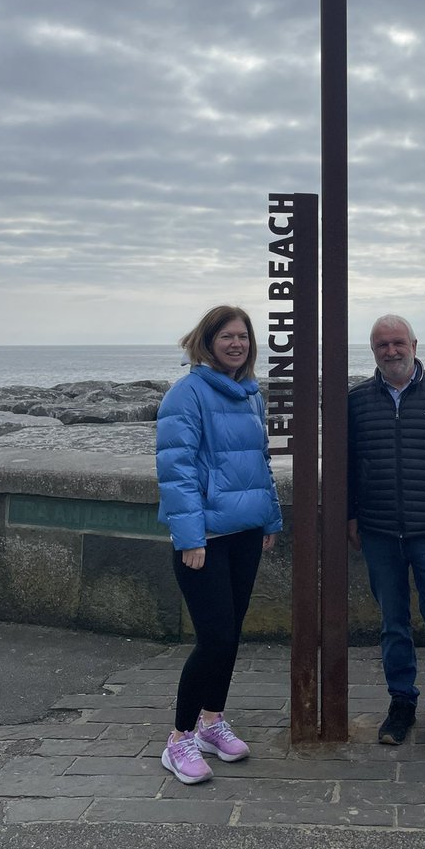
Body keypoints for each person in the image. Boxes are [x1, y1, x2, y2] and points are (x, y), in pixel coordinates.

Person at [156, 304, 282, 785]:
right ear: (206, 342)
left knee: (231, 635)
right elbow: (176, 468)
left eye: (243, 337)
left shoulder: (250, 394)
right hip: (205, 538)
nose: (237, 344)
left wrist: (269, 518)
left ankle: (212, 723)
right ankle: (179, 737)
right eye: (227, 336)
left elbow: (259, 462)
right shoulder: (186, 394)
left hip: (245, 534)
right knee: (215, 638)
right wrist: (190, 537)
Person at [347, 315, 425, 751]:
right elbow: (348, 463)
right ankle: (401, 703)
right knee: (392, 625)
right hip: (380, 530)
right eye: (382, 345)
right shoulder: (358, 399)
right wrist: (350, 515)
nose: (391, 351)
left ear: (415, 344)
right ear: (373, 351)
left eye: (398, 342)